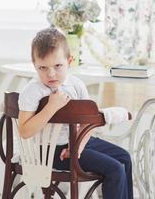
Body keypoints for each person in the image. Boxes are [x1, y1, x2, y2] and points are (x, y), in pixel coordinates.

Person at [18, 27, 133, 199]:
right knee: (114, 169)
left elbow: (87, 123)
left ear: (70, 61)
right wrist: (51, 107)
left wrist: (76, 147)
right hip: (51, 152)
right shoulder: (33, 91)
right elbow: (24, 131)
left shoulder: (76, 85)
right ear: (34, 65)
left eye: (58, 66)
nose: (51, 74)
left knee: (124, 158)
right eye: (42, 67)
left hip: (79, 141)